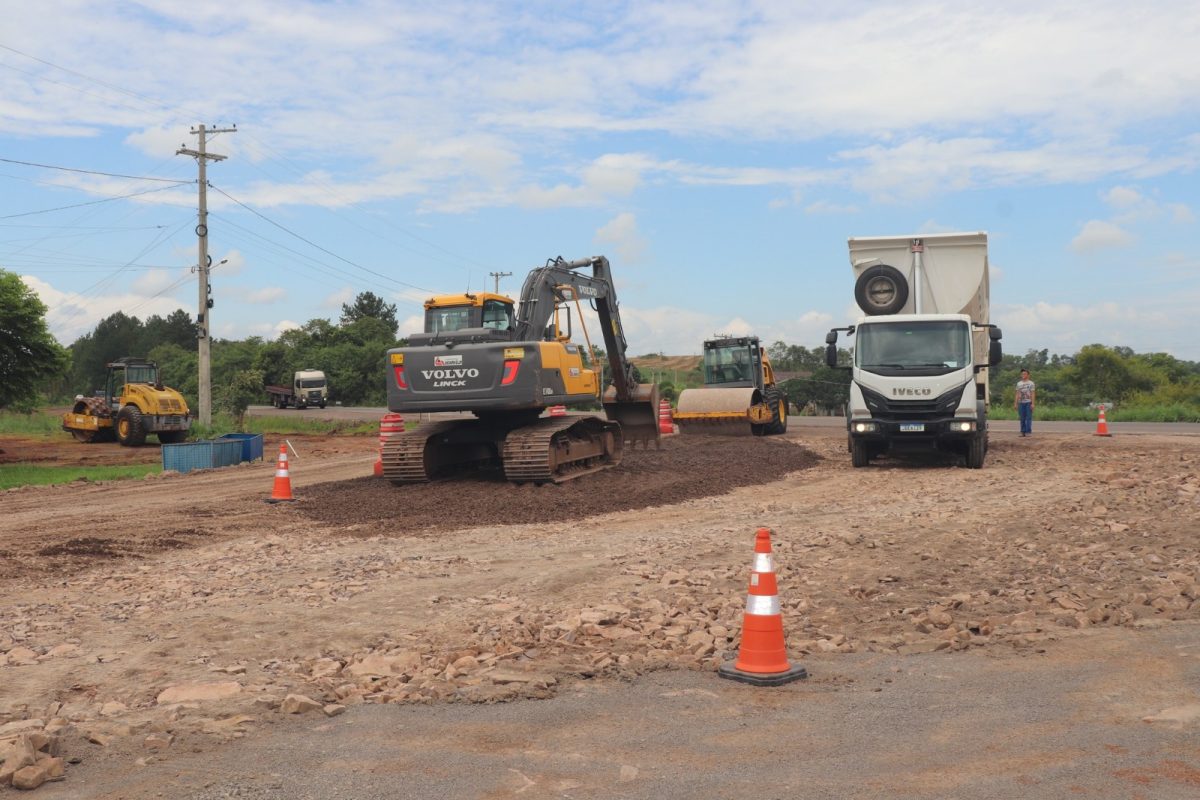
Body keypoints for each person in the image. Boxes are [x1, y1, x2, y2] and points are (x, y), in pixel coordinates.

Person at [1015, 368, 1036, 437]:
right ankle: (1023, 432)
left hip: (1028, 402)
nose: (1023, 375)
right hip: (1021, 402)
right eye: (1022, 374)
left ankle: (1028, 432)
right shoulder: (1019, 383)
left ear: (1028, 375)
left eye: (1025, 374)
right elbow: (1017, 394)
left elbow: (1033, 393)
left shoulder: (1031, 383)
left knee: (1028, 417)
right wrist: (1016, 403)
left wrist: (1033, 403)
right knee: (1022, 417)